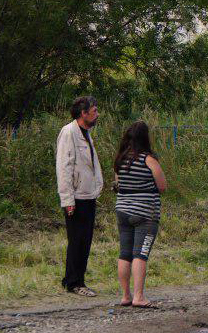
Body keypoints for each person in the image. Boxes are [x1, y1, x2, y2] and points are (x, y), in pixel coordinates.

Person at [113, 121, 167, 308]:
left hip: (122, 211)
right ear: (145, 138)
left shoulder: (120, 160)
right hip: (145, 213)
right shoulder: (148, 159)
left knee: (125, 254)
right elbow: (162, 186)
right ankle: (139, 297)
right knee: (140, 255)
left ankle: (126, 295)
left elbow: (117, 185)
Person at [56, 96, 103, 296]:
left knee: (85, 240)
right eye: (93, 111)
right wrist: (67, 200)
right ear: (83, 113)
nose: (97, 114)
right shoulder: (69, 132)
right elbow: (64, 167)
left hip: (88, 195)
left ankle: (73, 279)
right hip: (76, 197)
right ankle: (75, 283)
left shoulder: (86, 133)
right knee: (77, 240)